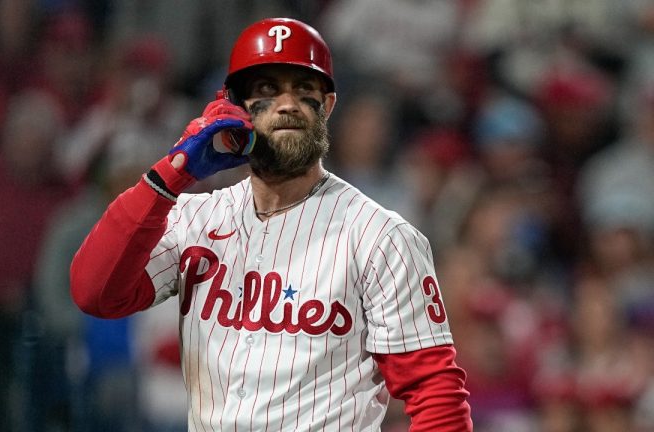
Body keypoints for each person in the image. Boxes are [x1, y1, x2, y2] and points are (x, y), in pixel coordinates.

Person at [70, 17, 472, 431]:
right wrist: (172, 174)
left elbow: (434, 392)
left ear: (328, 106)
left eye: (304, 90)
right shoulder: (194, 218)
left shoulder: (381, 237)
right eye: (267, 89)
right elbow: (95, 292)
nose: (287, 103)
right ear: (236, 106)